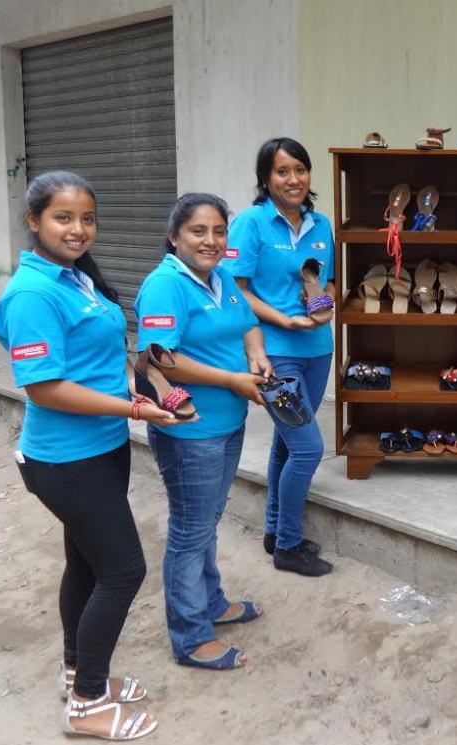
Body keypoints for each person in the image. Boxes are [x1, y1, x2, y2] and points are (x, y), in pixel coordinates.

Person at [0, 171, 179, 740]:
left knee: (88, 564)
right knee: (124, 570)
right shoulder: (32, 294)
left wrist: (136, 385)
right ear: (34, 221)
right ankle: (87, 705)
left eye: (88, 218)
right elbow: (44, 386)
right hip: (65, 460)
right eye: (63, 218)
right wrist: (134, 411)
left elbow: (100, 355)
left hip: (101, 448)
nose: (78, 230)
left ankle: (78, 673)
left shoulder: (76, 279)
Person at [136, 193, 271, 669]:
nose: (210, 240)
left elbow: (248, 322)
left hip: (228, 422)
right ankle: (191, 637)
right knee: (191, 532)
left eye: (218, 231)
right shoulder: (165, 286)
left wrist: (256, 353)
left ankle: (211, 603)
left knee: (206, 522)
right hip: (189, 431)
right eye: (198, 231)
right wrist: (231, 379)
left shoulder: (221, 278)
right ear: (174, 237)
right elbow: (159, 357)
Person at [224, 137, 335, 576]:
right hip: (274, 354)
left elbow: (329, 282)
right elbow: (236, 290)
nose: (293, 179)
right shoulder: (251, 224)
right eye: (282, 172)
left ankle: (274, 530)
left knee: (286, 442)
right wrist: (284, 321)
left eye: (300, 170)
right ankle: (288, 545)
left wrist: (326, 304)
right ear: (266, 179)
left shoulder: (321, 223)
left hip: (317, 349)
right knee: (308, 448)